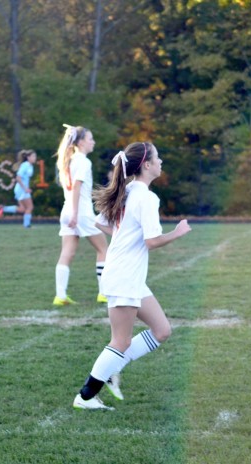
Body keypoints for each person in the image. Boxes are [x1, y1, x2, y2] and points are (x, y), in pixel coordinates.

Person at [73, 141, 192, 410]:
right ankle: (85, 397)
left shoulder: (126, 191)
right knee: (121, 341)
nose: (161, 162)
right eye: (158, 158)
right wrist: (177, 232)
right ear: (147, 165)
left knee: (162, 331)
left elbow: (100, 222)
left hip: (129, 276)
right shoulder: (147, 198)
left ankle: (115, 366)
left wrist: (123, 237)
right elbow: (152, 241)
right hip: (124, 275)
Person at [53, 124, 109, 306]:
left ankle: (60, 296)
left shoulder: (69, 160)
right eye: (90, 138)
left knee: (67, 253)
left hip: (67, 211)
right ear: (82, 142)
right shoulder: (83, 161)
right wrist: (76, 214)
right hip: (80, 212)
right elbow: (77, 187)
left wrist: (72, 213)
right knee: (103, 250)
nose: (93, 142)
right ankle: (104, 292)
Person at [0, 149, 37, 228]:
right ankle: (27, 225)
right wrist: (25, 188)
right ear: (28, 157)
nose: (35, 158)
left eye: (35, 156)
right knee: (30, 207)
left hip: (22, 189)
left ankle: (3, 209)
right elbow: (18, 178)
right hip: (21, 189)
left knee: (22, 209)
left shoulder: (30, 166)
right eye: (33, 156)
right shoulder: (25, 165)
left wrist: (26, 188)